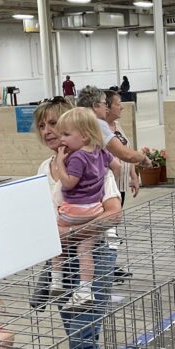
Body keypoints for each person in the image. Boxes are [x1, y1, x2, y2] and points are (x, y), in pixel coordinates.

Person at [31, 99, 122, 349]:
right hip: (60, 254)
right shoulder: (43, 169)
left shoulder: (94, 161)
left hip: (95, 250)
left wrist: (70, 233)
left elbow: (113, 214)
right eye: (42, 126)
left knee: (83, 331)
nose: (47, 131)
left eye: (54, 124)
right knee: (73, 325)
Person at [51, 107, 117, 307]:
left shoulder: (77, 157)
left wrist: (60, 162)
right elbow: (118, 166)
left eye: (66, 134)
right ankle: (85, 290)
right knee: (84, 249)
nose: (61, 139)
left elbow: (69, 183)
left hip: (73, 212)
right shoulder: (101, 153)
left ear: (85, 136)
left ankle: (55, 280)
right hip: (94, 211)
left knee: (55, 241)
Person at [76, 85, 153, 170]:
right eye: (104, 104)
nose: (106, 108)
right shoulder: (97, 124)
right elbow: (125, 154)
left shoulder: (76, 122)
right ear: (95, 106)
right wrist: (143, 157)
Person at [104, 90, 140, 205]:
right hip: (108, 187)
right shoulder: (100, 129)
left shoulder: (117, 125)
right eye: (118, 104)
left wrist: (133, 176)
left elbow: (126, 150)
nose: (122, 107)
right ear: (107, 107)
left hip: (121, 185)